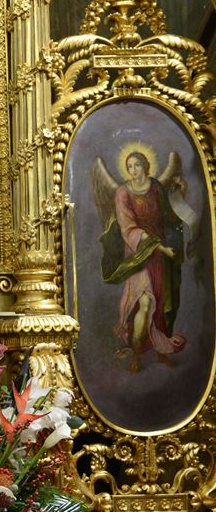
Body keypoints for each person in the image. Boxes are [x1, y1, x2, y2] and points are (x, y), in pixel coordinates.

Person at [99, 146, 187, 372]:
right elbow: (128, 228)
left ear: (146, 166)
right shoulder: (123, 193)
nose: (133, 170)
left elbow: (169, 216)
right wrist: (162, 248)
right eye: (129, 167)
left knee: (161, 305)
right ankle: (137, 353)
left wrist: (180, 193)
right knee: (145, 303)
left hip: (160, 256)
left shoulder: (156, 187)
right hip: (139, 254)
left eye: (137, 165)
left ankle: (161, 350)